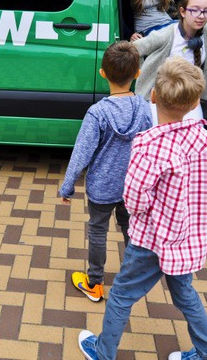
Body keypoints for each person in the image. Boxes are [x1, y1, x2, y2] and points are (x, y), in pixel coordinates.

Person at [78, 57, 207, 360]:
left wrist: (145, 210)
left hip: (152, 239)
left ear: (154, 96)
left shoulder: (149, 144)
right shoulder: (202, 138)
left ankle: (103, 352)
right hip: (186, 238)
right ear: (195, 100)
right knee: (185, 295)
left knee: (121, 294)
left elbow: (133, 198)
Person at [59, 41, 152, 302]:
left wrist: (68, 186)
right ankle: (132, 278)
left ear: (103, 73)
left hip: (102, 186)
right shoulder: (145, 109)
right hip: (133, 185)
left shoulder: (97, 113)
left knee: (98, 230)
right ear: (137, 73)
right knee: (130, 229)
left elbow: (81, 153)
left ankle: (95, 282)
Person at [133, 0, 207, 119]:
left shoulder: (205, 30)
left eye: (206, 11)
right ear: (182, 11)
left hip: (189, 99)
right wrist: (142, 72)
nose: (201, 16)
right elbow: (133, 50)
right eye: (194, 10)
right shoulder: (166, 35)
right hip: (162, 102)